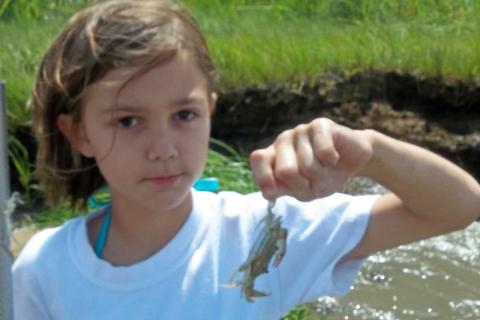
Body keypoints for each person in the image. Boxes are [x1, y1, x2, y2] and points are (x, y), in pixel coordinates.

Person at [12, 0, 480, 319]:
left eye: (184, 114)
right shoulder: (42, 268)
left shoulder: (262, 230)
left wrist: (373, 152)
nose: (164, 148)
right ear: (78, 133)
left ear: (210, 110)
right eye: (128, 121)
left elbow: (459, 206)